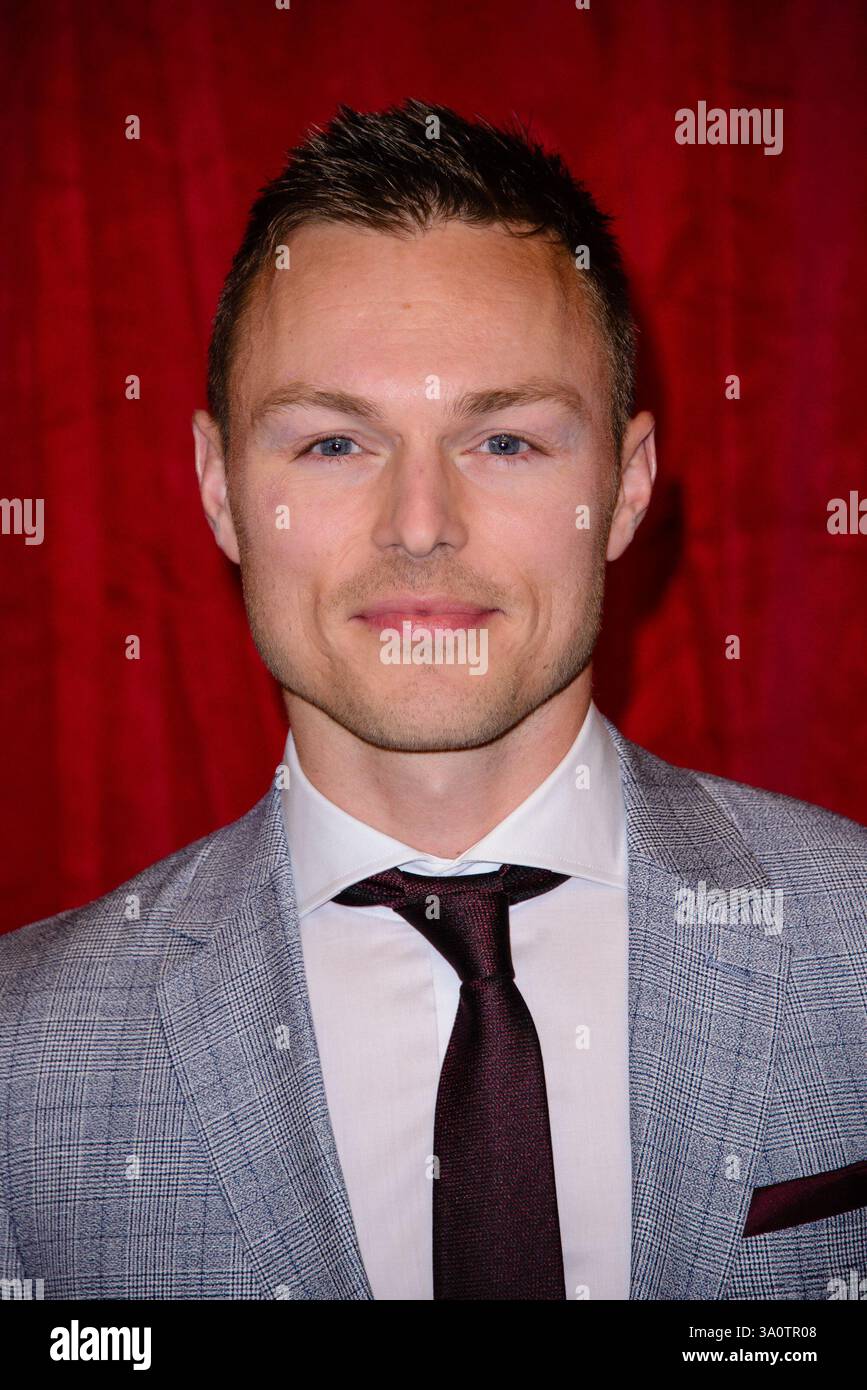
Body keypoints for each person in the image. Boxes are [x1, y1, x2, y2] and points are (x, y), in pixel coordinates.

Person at [1, 99, 864, 1302]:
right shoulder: (22, 1057)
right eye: (333, 444)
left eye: (504, 442)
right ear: (220, 489)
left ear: (627, 488)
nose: (420, 527)